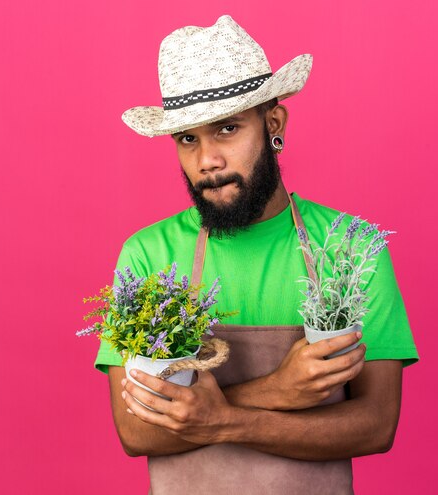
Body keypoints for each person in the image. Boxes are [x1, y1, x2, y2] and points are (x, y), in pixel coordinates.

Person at [93, 14, 419, 495]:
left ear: (273, 123)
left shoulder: (350, 247)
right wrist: (274, 392)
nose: (207, 161)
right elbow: (136, 431)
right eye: (188, 138)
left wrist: (224, 421)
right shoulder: (147, 254)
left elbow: (375, 425)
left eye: (226, 129)